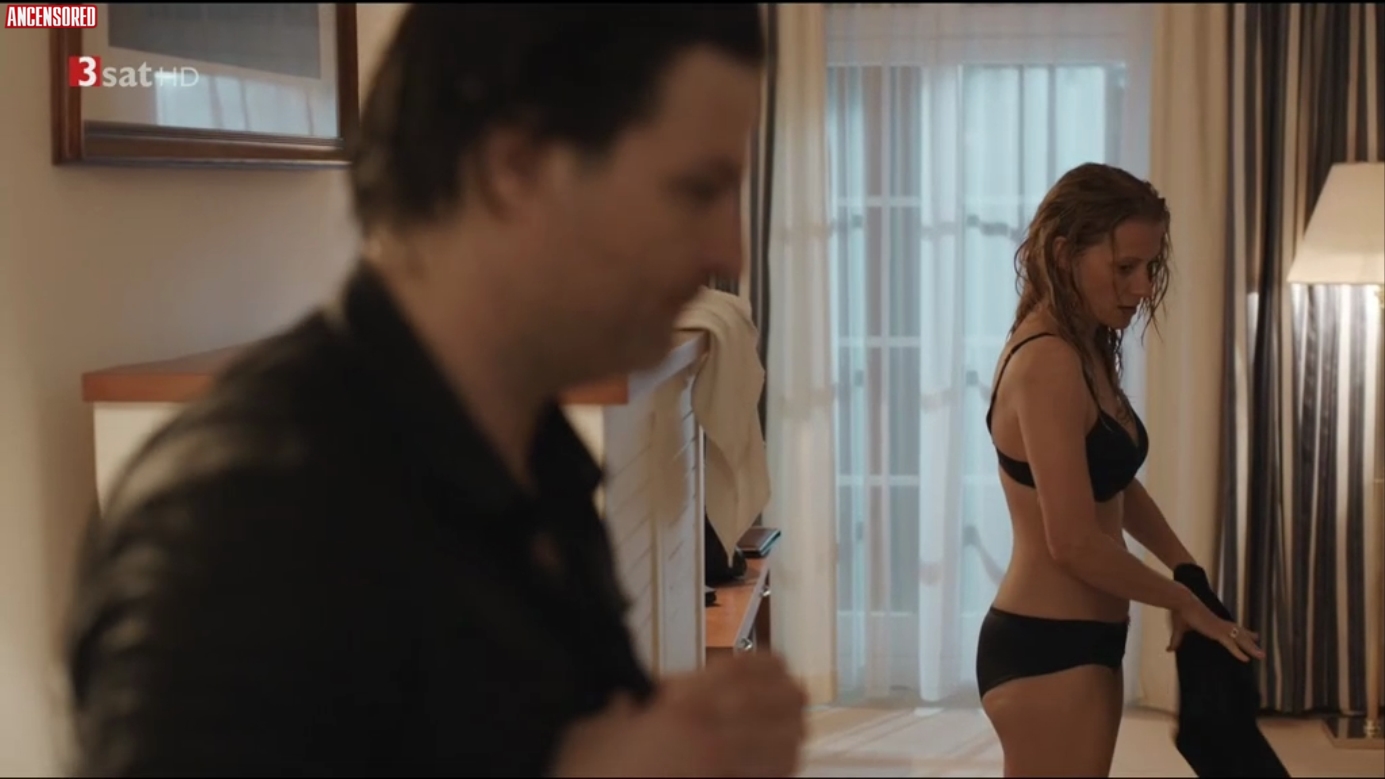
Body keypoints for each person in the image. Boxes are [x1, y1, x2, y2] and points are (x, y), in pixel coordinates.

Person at [64, 5, 807, 777]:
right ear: (513, 167)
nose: (728, 250)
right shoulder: (237, 528)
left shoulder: (533, 461)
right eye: (696, 190)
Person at [975, 162, 1265, 777]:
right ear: (1064, 254)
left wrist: (1186, 568)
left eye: (1150, 267)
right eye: (1125, 266)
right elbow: (1074, 542)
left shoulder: (1085, 347)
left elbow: (1113, 483)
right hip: (1046, 649)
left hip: (1086, 641)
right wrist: (1181, 601)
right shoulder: (1047, 361)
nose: (1142, 286)